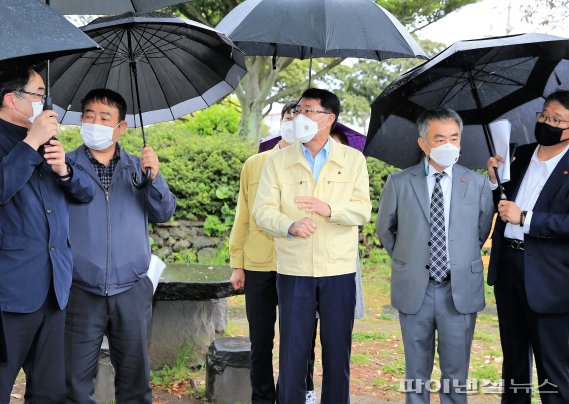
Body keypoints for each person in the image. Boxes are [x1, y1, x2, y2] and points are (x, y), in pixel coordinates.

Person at [253, 88, 372, 403]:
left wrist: (329, 210)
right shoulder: (279, 160)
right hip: (294, 270)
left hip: (339, 271)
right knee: (292, 354)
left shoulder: (353, 159)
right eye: (298, 111)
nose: (300, 117)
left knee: (337, 354)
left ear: (329, 119)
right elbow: (262, 211)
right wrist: (289, 225)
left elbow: (362, 210)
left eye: (309, 111)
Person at [64, 88, 176, 403]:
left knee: (135, 382)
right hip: (80, 289)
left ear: (121, 127)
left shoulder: (137, 166)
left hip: (131, 288)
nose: (95, 123)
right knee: (74, 382)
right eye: (89, 116)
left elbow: (164, 212)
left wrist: (154, 177)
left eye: (104, 118)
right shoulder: (64, 166)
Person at [377, 107, 494, 404]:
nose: (448, 145)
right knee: (416, 370)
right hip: (417, 286)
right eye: (439, 138)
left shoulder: (477, 183)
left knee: (457, 371)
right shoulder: (399, 182)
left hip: (459, 290)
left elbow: (480, 232)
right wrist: (411, 259)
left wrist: (455, 257)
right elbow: (386, 231)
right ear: (423, 143)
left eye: (454, 138)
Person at [0, 65, 94, 402]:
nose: (46, 104)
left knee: (50, 391)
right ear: (11, 100)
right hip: (9, 292)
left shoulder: (47, 143)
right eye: (39, 95)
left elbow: (85, 193)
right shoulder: (30, 140)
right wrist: (31, 142)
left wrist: (64, 170)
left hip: (55, 288)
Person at [486, 90, 569, 403]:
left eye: (556, 120)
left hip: (550, 277)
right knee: (514, 362)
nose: (546, 122)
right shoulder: (520, 154)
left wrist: (526, 218)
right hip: (508, 267)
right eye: (544, 115)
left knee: (553, 367)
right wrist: (496, 181)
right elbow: (504, 203)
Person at [228, 100, 298, 403]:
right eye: (289, 116)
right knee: (260, 339)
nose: (294, 122)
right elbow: (242, 215)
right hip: (258, 263)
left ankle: (294, 394)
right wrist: (237, 263)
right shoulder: (255, 164)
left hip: (299, 265)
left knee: (298, 340)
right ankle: (262, 398)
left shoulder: (313, 164)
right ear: (280, 121)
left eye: (302, 117)